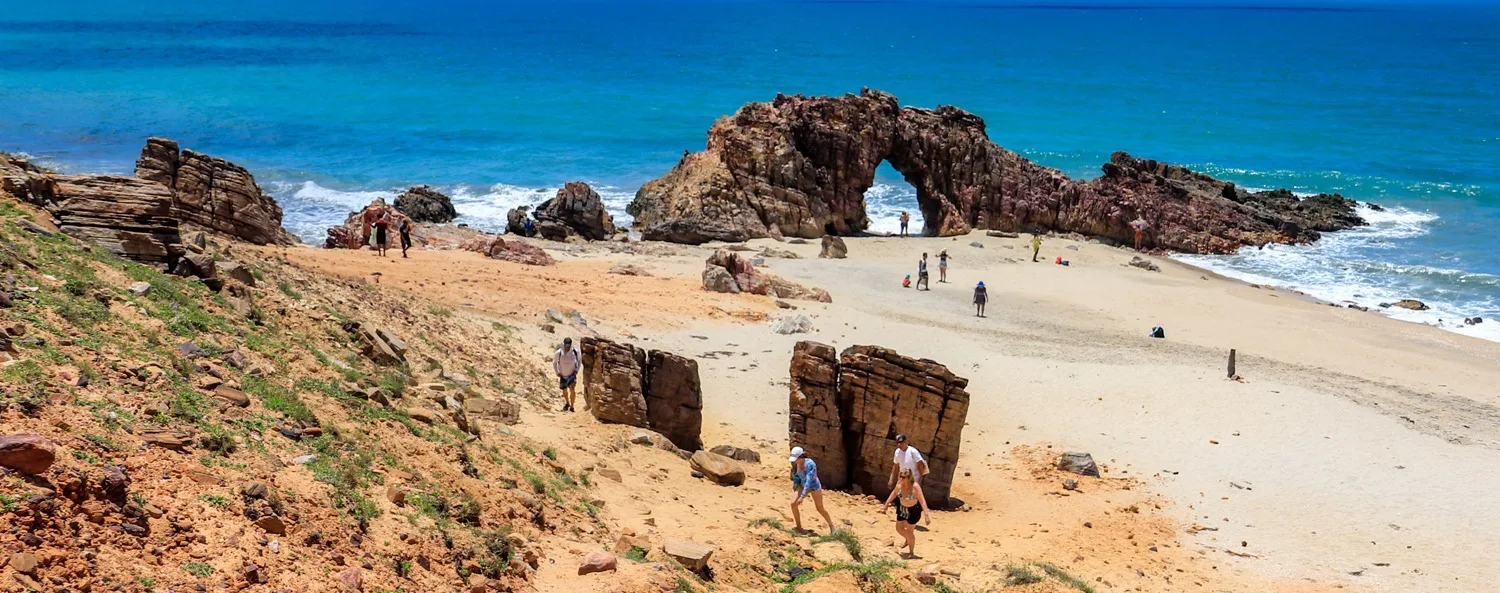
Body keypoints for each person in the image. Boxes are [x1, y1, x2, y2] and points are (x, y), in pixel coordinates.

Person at [884, 468, 931, 558]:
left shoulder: (915, 487)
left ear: (909, 477)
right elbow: (894, 493)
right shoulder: (899, 484)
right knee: (899, 528)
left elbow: (922, 501)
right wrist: (886, 503)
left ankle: (911, 552)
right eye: (900, 476)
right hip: (902, 508)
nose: (901, 479)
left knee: (909, 531)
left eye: (903, 477)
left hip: (913, 510)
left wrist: (926, 515)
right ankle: (908, 539)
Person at [789, 446, 835, 535]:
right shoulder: (798, 463)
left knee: (820, 508)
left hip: (813, 487)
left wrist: (802, 497)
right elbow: (797, 475)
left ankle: (832, 526)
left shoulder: (810, 464)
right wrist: (795, 485)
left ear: (801, 456)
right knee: (793, 503)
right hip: (802, 485)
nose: (795, 461)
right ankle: (799, 527)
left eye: (796, 459)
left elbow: (809, 481)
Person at [553, 337, 582, 412]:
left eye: (568, 347)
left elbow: (579, 361)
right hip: (563, 374)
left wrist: (576, 370)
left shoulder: (575, 352)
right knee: (564, 390)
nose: (567, 348)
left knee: (572, 389)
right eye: (566, 346)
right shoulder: (559, 352)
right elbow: (554, 362)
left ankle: (572, 406)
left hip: (572, 375)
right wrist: (557, 372)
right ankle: (567, 403)